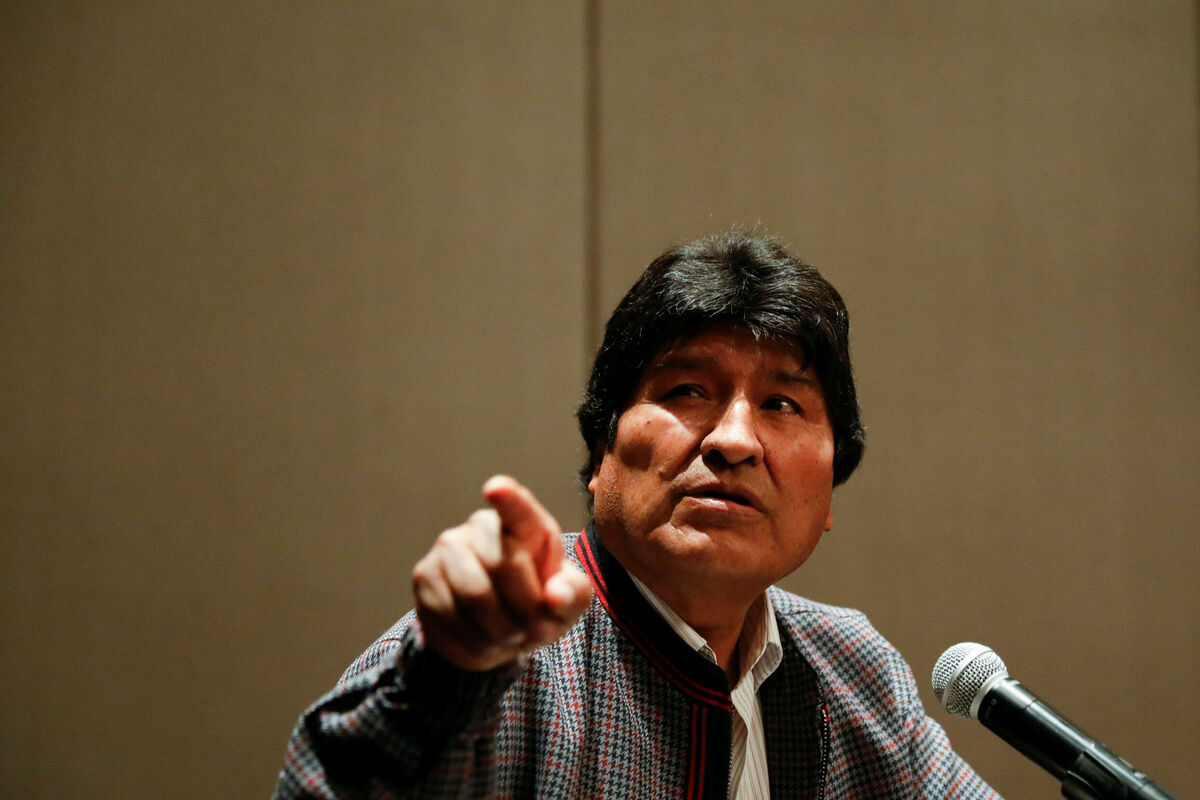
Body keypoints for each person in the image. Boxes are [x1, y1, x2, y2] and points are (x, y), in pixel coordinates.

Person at [273, 231, 1001, 799]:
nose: (735, 440)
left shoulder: (856, 673)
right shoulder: (507, 647)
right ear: (601, 453)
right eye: (687, 391)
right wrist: (447, 672)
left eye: (782, 404)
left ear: (831, 491)